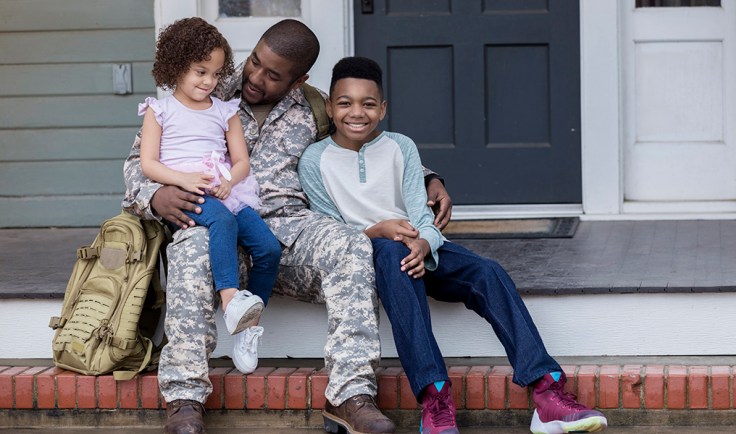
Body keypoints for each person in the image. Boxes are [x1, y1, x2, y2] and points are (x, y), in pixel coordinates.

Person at [122, 19, 454, 434]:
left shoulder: (315, 107)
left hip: (291, 231)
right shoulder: (209, 85)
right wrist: (155, 196)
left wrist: (427, 177)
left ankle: (350, 394)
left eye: (273, 75)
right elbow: (138, 164)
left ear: (298, 80)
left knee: (351, 245)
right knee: (189, 250)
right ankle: (184, 399)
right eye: (254, 62)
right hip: (218, 230)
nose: (255, 77)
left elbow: (366, 143)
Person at [298, 56, 609, 434]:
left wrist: (424, 244)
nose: (356, 112)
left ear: (383, 108)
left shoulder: (400, 147)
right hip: (368, 255)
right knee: (393, 254)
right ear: (330, 108)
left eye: (368, 103)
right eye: (345, 103)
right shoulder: (314, 160)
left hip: (420, 247)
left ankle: (547, 390)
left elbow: (421, 214)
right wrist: (376, 231)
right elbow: (330, 231)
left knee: (487, 272)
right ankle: (435, 398)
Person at [138, 17, 281, 376]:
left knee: (268, 248)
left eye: (216, 74)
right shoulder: (160, 111)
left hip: (224, 192)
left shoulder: (224, 111)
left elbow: (242, 161)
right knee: (221, 220)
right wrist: (182, 180)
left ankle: (247, 329)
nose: (208, 82)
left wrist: (229, 181)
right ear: (176, 66)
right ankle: (230, 300)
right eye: (200, 72)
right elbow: (149, 164)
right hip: (187, 194)